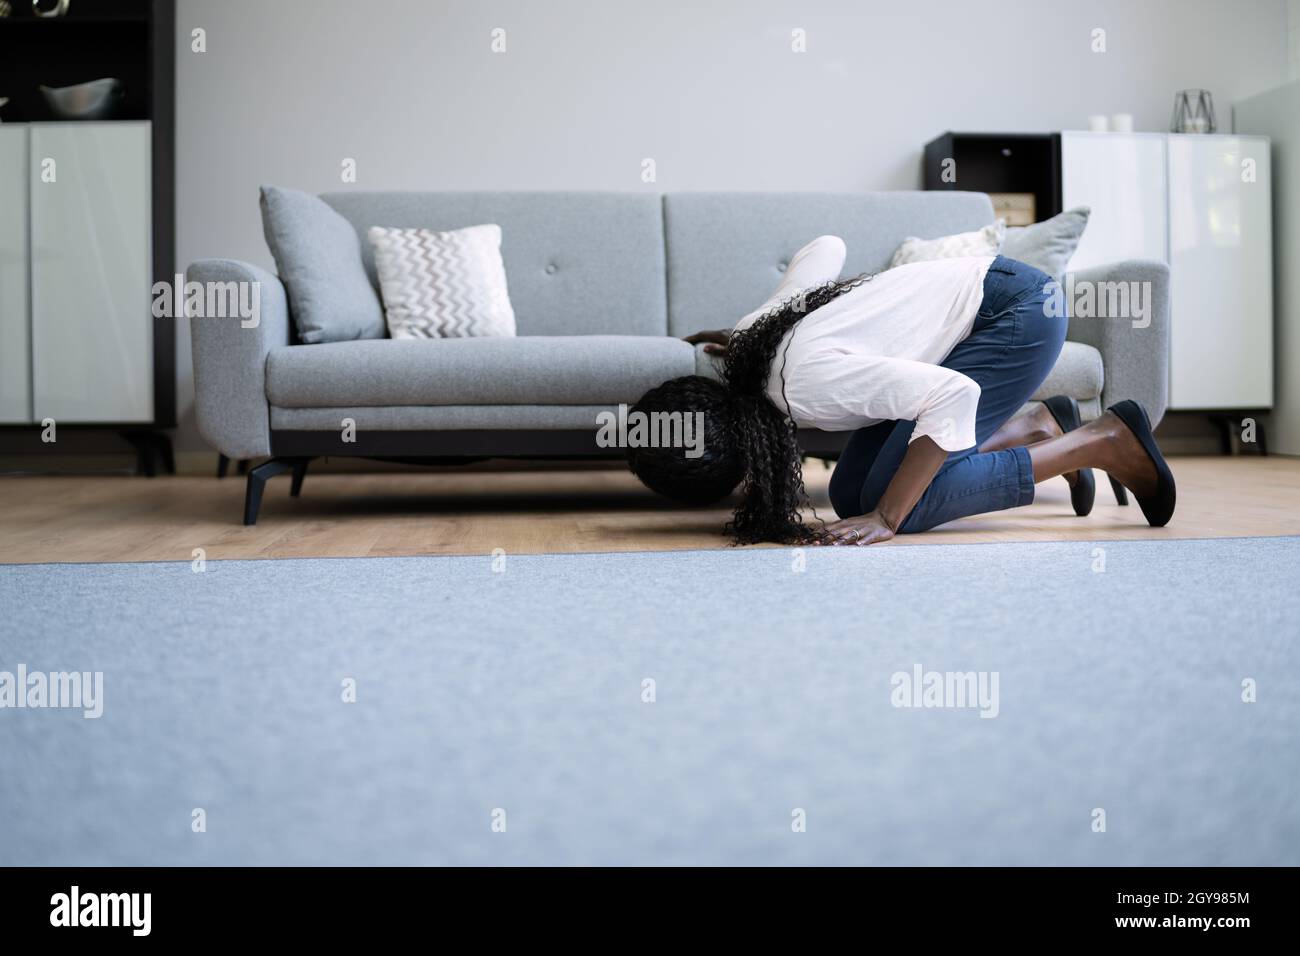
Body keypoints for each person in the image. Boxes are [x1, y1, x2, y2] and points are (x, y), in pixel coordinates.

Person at [625, 235, 1175, 545]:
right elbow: (827, 248)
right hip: (987, 301)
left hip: (1020, 314)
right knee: (851, 495)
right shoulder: (754, 339)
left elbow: (953, 396)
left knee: (903, 506)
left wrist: (887, 520)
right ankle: (1035, 426)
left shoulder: (805, 388)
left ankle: (1101, 441)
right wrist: (751, 331)